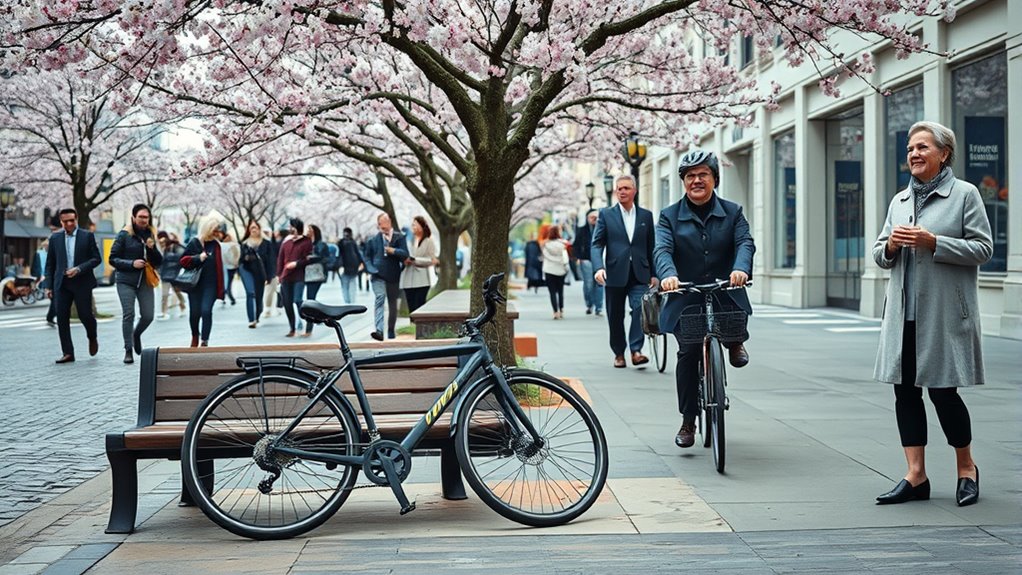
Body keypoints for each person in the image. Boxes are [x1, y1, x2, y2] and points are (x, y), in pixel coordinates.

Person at [872, 121, 990, 507]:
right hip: (902, 315)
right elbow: (878, 254)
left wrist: (934, 241)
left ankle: (966, 469)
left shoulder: (964, 195)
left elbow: (983, 248)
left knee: (944, 393)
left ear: (944, 153)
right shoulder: (899, 201)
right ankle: (916, 475)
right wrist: (889, 245)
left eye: (922, 147)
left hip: (942, 316)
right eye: (910, 148)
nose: (914, 154)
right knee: (904, 393)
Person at [655, 150, 755, 449]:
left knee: (732, 313)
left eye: (703, 174)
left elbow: (744, 242)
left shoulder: (733, 211)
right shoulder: (668, 216)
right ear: (683, 182)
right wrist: (668, 275)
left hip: (725, 288)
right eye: (690, 176)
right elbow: (662, 250)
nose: (697, 180)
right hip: (685, 293)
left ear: (715, 179)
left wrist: (740, 268)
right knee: (687, 354)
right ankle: (688, 419)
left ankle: (734, 341)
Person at [591, 175, 657, 369]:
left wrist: (654, 273)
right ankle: (619, 353)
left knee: (639, 309)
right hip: (614, 273)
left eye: (626, 188)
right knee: (615, 315)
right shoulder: (606, 214)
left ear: (634, 191)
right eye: (619, 188)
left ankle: (636, 350)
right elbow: (596, 244)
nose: (622, 191)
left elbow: (651, 246)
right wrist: (598, 268)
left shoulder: (646, 216)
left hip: (640, 273)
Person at [108, 203, 163, 364]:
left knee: (148, 316)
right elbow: (113, 259)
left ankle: (136, 334)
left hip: (145, 280)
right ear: (133, 217)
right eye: (141, 217)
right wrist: (131, 264)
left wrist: (152, 249)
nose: (144, 220)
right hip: (126, 280)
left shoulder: (151, 234)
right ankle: (128, 350)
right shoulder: (124, 235)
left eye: (146, 217)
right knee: (129, 314)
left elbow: (159, 262)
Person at [45, 208, 101, 364]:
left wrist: (79, 269)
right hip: (61, 283)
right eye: (66, 221)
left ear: (76, 219)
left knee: (85, 316)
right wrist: (48, 286)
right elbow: (50, 264)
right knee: (62, 318)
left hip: (82, 282)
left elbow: (96, 259)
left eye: (72, 220)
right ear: (61, 222)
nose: (69, 223)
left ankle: (92, 336)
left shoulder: (87, 236)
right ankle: (68, 352)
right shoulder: (55, 238)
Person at [179, 217, 227, 347]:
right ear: (208, 229)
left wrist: (222, 288)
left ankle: (205, 340)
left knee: (206, 311)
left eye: (218, 231)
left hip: (211, 284)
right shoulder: (195, 242)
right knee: (195, 313)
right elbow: (183, 261)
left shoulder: (216, 245)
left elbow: (219, 267)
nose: (217, 233)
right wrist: (197, 258)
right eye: (214, 230)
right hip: (195, 285)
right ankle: (195, 335)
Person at [363, 213, 408, 341]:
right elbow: (366, 256)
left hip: (393, 274)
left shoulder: (399, 237)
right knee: (380, 298)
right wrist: (371, 269)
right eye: (380, 223)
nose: (382, 226)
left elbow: (405, 254)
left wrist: (394, 251)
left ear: (390, 222)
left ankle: (391, 330)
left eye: (384, 222)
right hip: (377, 275)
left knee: (392, 303)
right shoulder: (373, 239)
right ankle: (379, 330)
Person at [276, 218, 312, 337]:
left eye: (293, 227)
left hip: (299, 276)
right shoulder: (286, 243)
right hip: (285, 277)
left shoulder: (306, 242)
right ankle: (292, 328)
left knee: (297, 300)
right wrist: (279, 276)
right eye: (290, 227)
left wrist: (296, 264)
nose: (291, 229)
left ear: (298, 228)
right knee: (287, 303)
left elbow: (308, 259)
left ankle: (306, 319)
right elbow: (280, 260)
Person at [400, 216, 437, 314]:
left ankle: (419, 327)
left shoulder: (429, 241)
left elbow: (432, 260)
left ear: (422, 226)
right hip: (407, 278)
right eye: (412, 225)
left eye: (415, 225)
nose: (413, 227)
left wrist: (415, 260)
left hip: (422, 279)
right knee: (411, 306)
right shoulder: (407, 240)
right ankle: (412, 325)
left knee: (419, 305)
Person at [239, 220, 272, 328]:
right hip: (246, 270)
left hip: (260, 272)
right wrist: (246, 258)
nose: (253, 230)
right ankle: (251, 319)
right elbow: (240, 259)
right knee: (250, 293)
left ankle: (257, 316)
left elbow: (271, 260)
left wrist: (270, 275)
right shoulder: (244, 243)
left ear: (259, 229)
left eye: (255, 228)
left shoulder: (266, 243)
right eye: (251, 228)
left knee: (258, 295)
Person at [301, 224, 330, 337]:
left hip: (315, 275)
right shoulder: (304, 243)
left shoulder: (321, 245)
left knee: (310, 299)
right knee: (302, 300)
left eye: (310, 229)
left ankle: (309, 329)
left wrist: (315, 258)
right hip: (303, 274)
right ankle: (319, 316)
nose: (308, 231)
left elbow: (327, 258)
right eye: (307, 229)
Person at [574, 209, 603, 316]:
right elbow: (575, 245)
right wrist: (579, 257)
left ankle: (599, 307)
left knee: (600, 283)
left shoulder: (602, 229)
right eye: (592, 217)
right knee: (589, 284)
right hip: (586, 260)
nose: (594, 220)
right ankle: (589, 304)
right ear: (587, 218)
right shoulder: (582, 230)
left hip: (600, 260)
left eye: (596, 217)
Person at [541, 225, 569, 319]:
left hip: (549, 270)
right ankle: (561, 310)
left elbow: (544, 255)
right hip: (560, 270)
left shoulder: (546, 245)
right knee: (560, 291)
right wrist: (565, 266)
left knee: (552, 292)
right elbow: (565, 258)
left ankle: (555, 312)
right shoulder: (562, 245)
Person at [157, 231, 187, 319]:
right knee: (164, 294)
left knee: (177, 291)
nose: (161, 242)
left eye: (163, 240)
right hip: (165, 274)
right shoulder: (160, 248)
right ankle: (163, 312)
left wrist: (167, 255)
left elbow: (181, 255)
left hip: (174, 273)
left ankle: (183, 306)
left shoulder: (174, 246)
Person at [31, 239, 56, 325]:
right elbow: (37, 264)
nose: (47, 247)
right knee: (54, 299)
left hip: (50, 276)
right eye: (46, 246)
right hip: (44, 275)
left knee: (55, 300)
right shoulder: (39, 253)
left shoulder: (52, 253)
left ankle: (50, 317)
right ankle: (50, 317)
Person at [338, 227, 362, 304]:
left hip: (344, 267)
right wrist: (360, 263)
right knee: (352, 284)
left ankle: (347, 301)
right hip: (354, 266)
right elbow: (358, 254)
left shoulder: (341, 243)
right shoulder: (353, 242)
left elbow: (338, 255)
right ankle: (351, 301)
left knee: (345, 285)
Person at [263, 228, 282, 318]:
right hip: (270, 269)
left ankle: (269, 309)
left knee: (272, 289)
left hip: (275, 269)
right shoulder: (266, 244)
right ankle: (268, 308)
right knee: (271, 290)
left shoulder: (276, 244)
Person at [221, 232, 240, 306]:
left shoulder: (222, 245)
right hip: (234, 265)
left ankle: (226, 296)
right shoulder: (234, 244)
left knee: (228, 282)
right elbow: (237, 254)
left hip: (227, 266)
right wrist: (235, 263)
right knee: (229, 282)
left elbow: (224, 257)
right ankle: (230, 297)